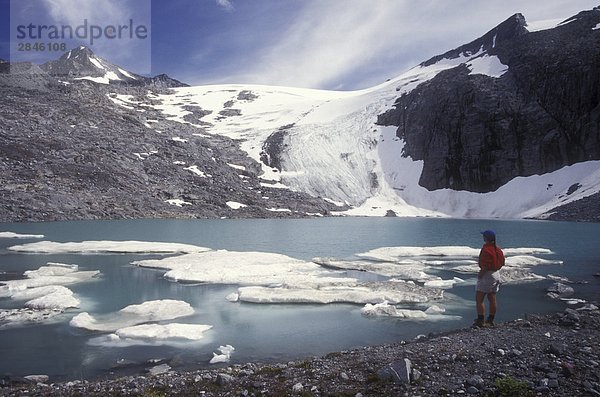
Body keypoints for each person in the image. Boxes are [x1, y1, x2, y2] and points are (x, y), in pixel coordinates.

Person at [473, 230, 504, 328]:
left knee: (479, 299)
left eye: (484, 236)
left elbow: (485, 265)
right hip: (496, 274)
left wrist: (480, 275)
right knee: (492, 298)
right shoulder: (498, 249)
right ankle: (490, 320)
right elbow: (502, 262)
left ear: (486, 238)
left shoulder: (486, 249)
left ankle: (480, 320)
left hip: (487, 275)